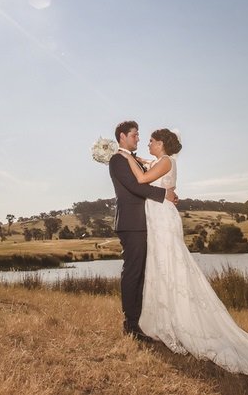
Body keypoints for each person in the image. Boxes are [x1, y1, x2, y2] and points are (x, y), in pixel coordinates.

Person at [122, 128, 248, 379]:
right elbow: (145, 164)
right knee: (160, 268)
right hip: (155, 219)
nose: (148, 144)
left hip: (163, 220)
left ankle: (185, 325)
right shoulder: (159, 160)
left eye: (152, 141)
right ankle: (163, 321)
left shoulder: (166, 162)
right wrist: (133, 158)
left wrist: (125, 157)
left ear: (163, 144)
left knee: (171, 266)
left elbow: (142, 181)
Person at [108, 120, 178, 341]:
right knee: (133, 273)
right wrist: (163, 195)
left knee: (142, 274)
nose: (138, 138)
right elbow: (136, 186)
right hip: (132, 223)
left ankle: (140, 321)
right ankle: (130, 324)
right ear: (122, 136)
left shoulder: (134, 159)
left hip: (146, 222)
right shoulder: (118, 159)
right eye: (135, 135)